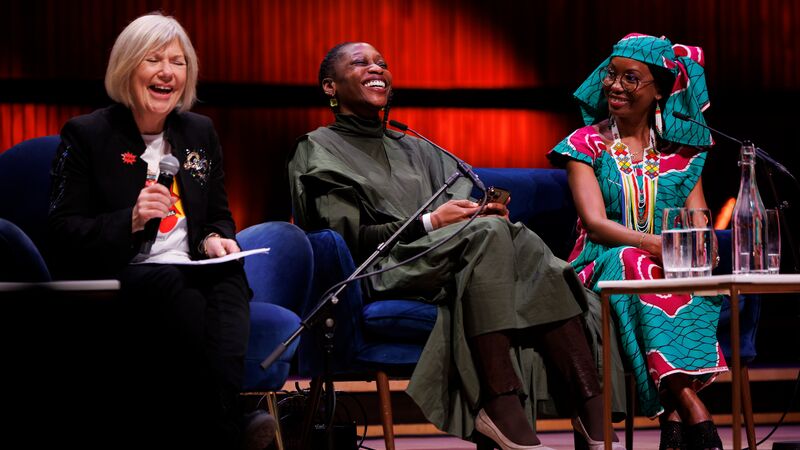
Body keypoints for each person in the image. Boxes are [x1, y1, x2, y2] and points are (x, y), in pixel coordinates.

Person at [289, 42, 625, 450]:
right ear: (330, 86)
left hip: (456, 259)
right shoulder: (318, 148)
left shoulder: (415, 145)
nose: (376, 69)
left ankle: (587, 405)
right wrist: (431, 221)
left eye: (382, 63)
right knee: (497, 236)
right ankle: (506, 404)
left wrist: (481, 211)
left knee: (509, 231)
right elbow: (345, 238)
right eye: (360, 63)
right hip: (387, 267)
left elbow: (468, 207)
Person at [47, 13, 273, 450]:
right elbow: (61, 231)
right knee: (174, 284)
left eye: (178, 61)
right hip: (122, 273)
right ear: (127, 67)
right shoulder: (87, 134)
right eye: (153, 60)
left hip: (189, 267)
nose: (167, 72)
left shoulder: (199, 132)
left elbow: (218, 215)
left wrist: (213, 238)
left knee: (228, 278)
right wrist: (130, 220)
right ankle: (229, 428)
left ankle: (222, 419)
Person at [548, 33, 726, 450]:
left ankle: (673, 418)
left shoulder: (681, 154)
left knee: (680, 276)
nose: (615, 86)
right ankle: (692, 407)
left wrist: (703, 244)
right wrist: (658, 246)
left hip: (664, 267)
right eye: (611, 75)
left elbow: (697, 221)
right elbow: (595, 225)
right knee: (633, 258)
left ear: (659, 91)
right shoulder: (585, 144)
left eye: (630, 78)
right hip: (598, 264)